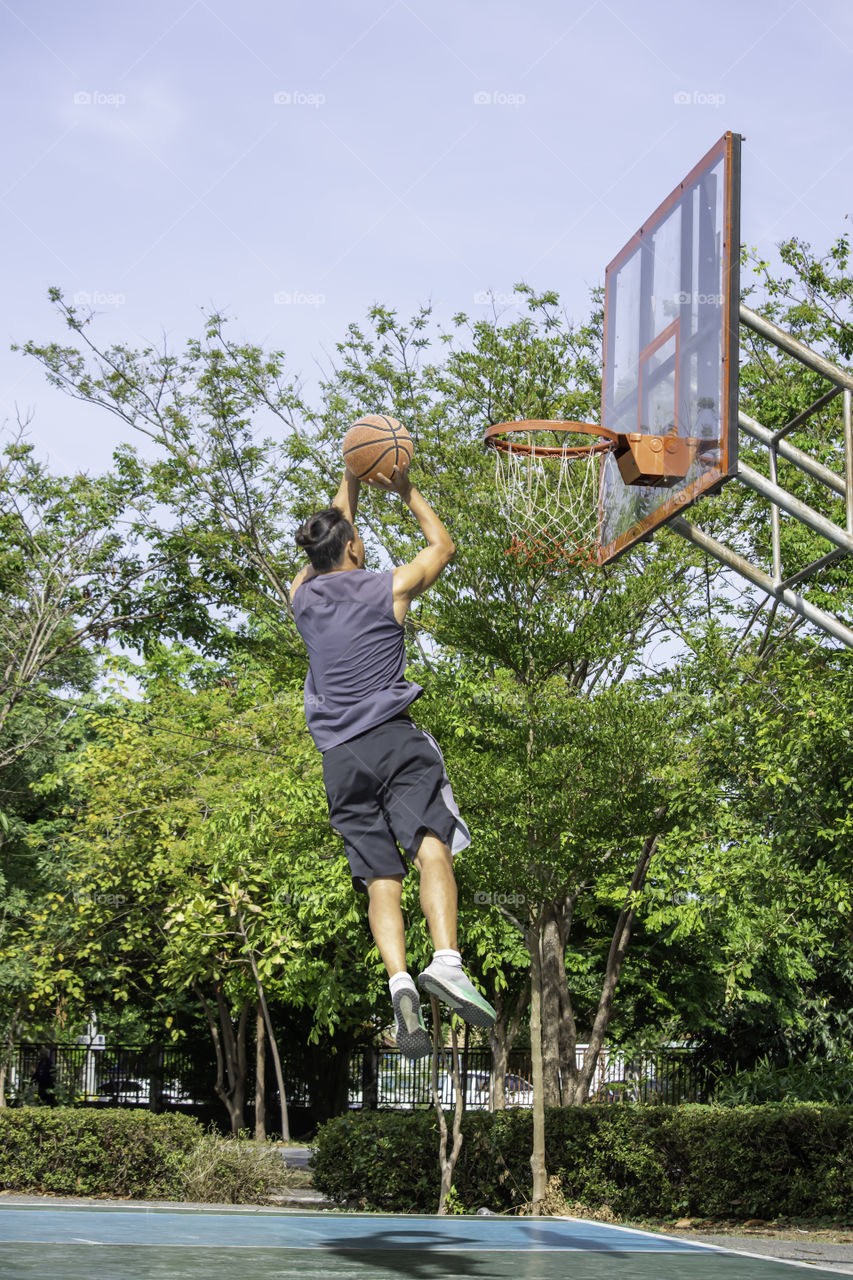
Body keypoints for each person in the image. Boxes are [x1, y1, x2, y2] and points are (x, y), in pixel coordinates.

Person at [290, 462, 496, 1058]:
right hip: (395, 743)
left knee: (382, 877)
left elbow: (335, 533)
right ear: (354, 546)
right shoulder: (389, 587)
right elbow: (443, 547)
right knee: (432, 845)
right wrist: (404, 488)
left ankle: (399, 981)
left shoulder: (302, 596)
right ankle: (448, 963)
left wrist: (348, 479)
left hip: (339, 758)